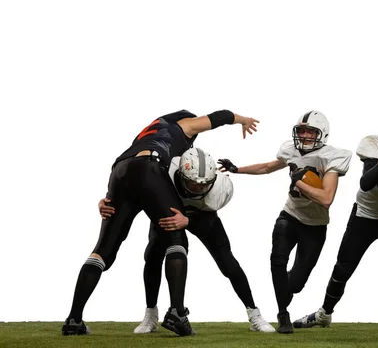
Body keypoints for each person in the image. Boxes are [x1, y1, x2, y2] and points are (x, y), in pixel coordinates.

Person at [62, 109, 259, 337]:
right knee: (175, 236)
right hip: (149, 167)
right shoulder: (181, 126)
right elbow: (220, 116)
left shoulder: (148, 133)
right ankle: (177, 312)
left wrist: (105, 200)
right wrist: (243, 120)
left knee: (102, 252)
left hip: (119, 172)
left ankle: (74, 320)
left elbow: (132, 171)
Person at [98, 147, 276, 334]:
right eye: (192, 184)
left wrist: (188, 220)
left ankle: (254, 313)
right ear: (181, 174)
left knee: (228, 263)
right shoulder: (164, 171)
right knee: (152, 257)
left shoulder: (220, 190)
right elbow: (134, 186)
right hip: (168, 214)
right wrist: (109, 199)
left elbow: (207, 223)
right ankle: (150, 314)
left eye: (203, 184)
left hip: (202, 215)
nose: (198, 188)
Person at [217, 110, 352, 334]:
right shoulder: (290, 149)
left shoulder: (332, 156)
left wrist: (299, 183)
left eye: (311, 132)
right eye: (302, 131)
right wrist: (236, 169)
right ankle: (283, 314)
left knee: (296, 283)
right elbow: (268, 167)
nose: (306, 136)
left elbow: (327, 199)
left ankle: (284, 296)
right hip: (289, 216)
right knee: (277, 259)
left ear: (322, 134)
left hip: (315, 225)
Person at [292, 134, 378, 330]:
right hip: (366, 216)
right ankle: (324, 314)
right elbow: (366, 183)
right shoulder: (374, 144)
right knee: (343, 268)